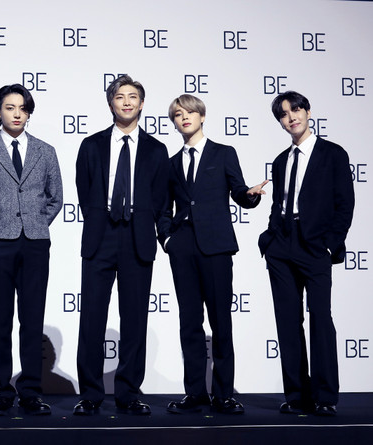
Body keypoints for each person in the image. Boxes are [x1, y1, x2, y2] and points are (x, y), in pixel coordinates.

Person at [158, 94, 268, 415]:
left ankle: (223, 395)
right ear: (174, 122)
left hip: (216, 247)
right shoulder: (170, 163)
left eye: (190, 112)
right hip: (183, 248)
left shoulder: (223, 153)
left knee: (221, 322)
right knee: (189, 322)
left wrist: (250, 195)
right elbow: (163, 208)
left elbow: (239, 191)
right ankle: (195, 393)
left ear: (202, 116)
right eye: (178, 114)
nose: (185, 117)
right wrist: (168, 239)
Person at [0, 83, 63, 416]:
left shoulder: (45, 151)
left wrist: (35, 222)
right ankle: (2, 392)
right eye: (10, 107)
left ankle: (30, 391)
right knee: (0, 320)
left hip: (35, 244)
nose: (17, 114)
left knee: (32, 319)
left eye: (23, 108)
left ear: (29, 113)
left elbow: (56, 197)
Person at [74, 75, 169, 416]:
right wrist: (99, 219)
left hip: (137, 237)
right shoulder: (91, 145)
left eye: (133, 97)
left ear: (142, 104)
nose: (126, 102)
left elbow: (160, 197)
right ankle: (90, 394)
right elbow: (84, 189)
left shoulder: (157, 150)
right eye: (120, 97)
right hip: (100, 236)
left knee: (134, 319)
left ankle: (128, 393)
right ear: (111, 103)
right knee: (92, 317)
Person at [258, 91, 354, 416]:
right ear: (281, 123)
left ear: (308, 112)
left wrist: (329, 243)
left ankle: (325, 396)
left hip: (315, 245)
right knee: (287, 321)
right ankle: (297, 395)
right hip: (281, 244)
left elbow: (345, 203)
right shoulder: (280, 161)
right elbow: (279, 204)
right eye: (284, 114)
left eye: (296, 110)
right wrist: (269, 240)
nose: (291, 117)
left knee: (321, 319)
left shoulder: (333, 154)